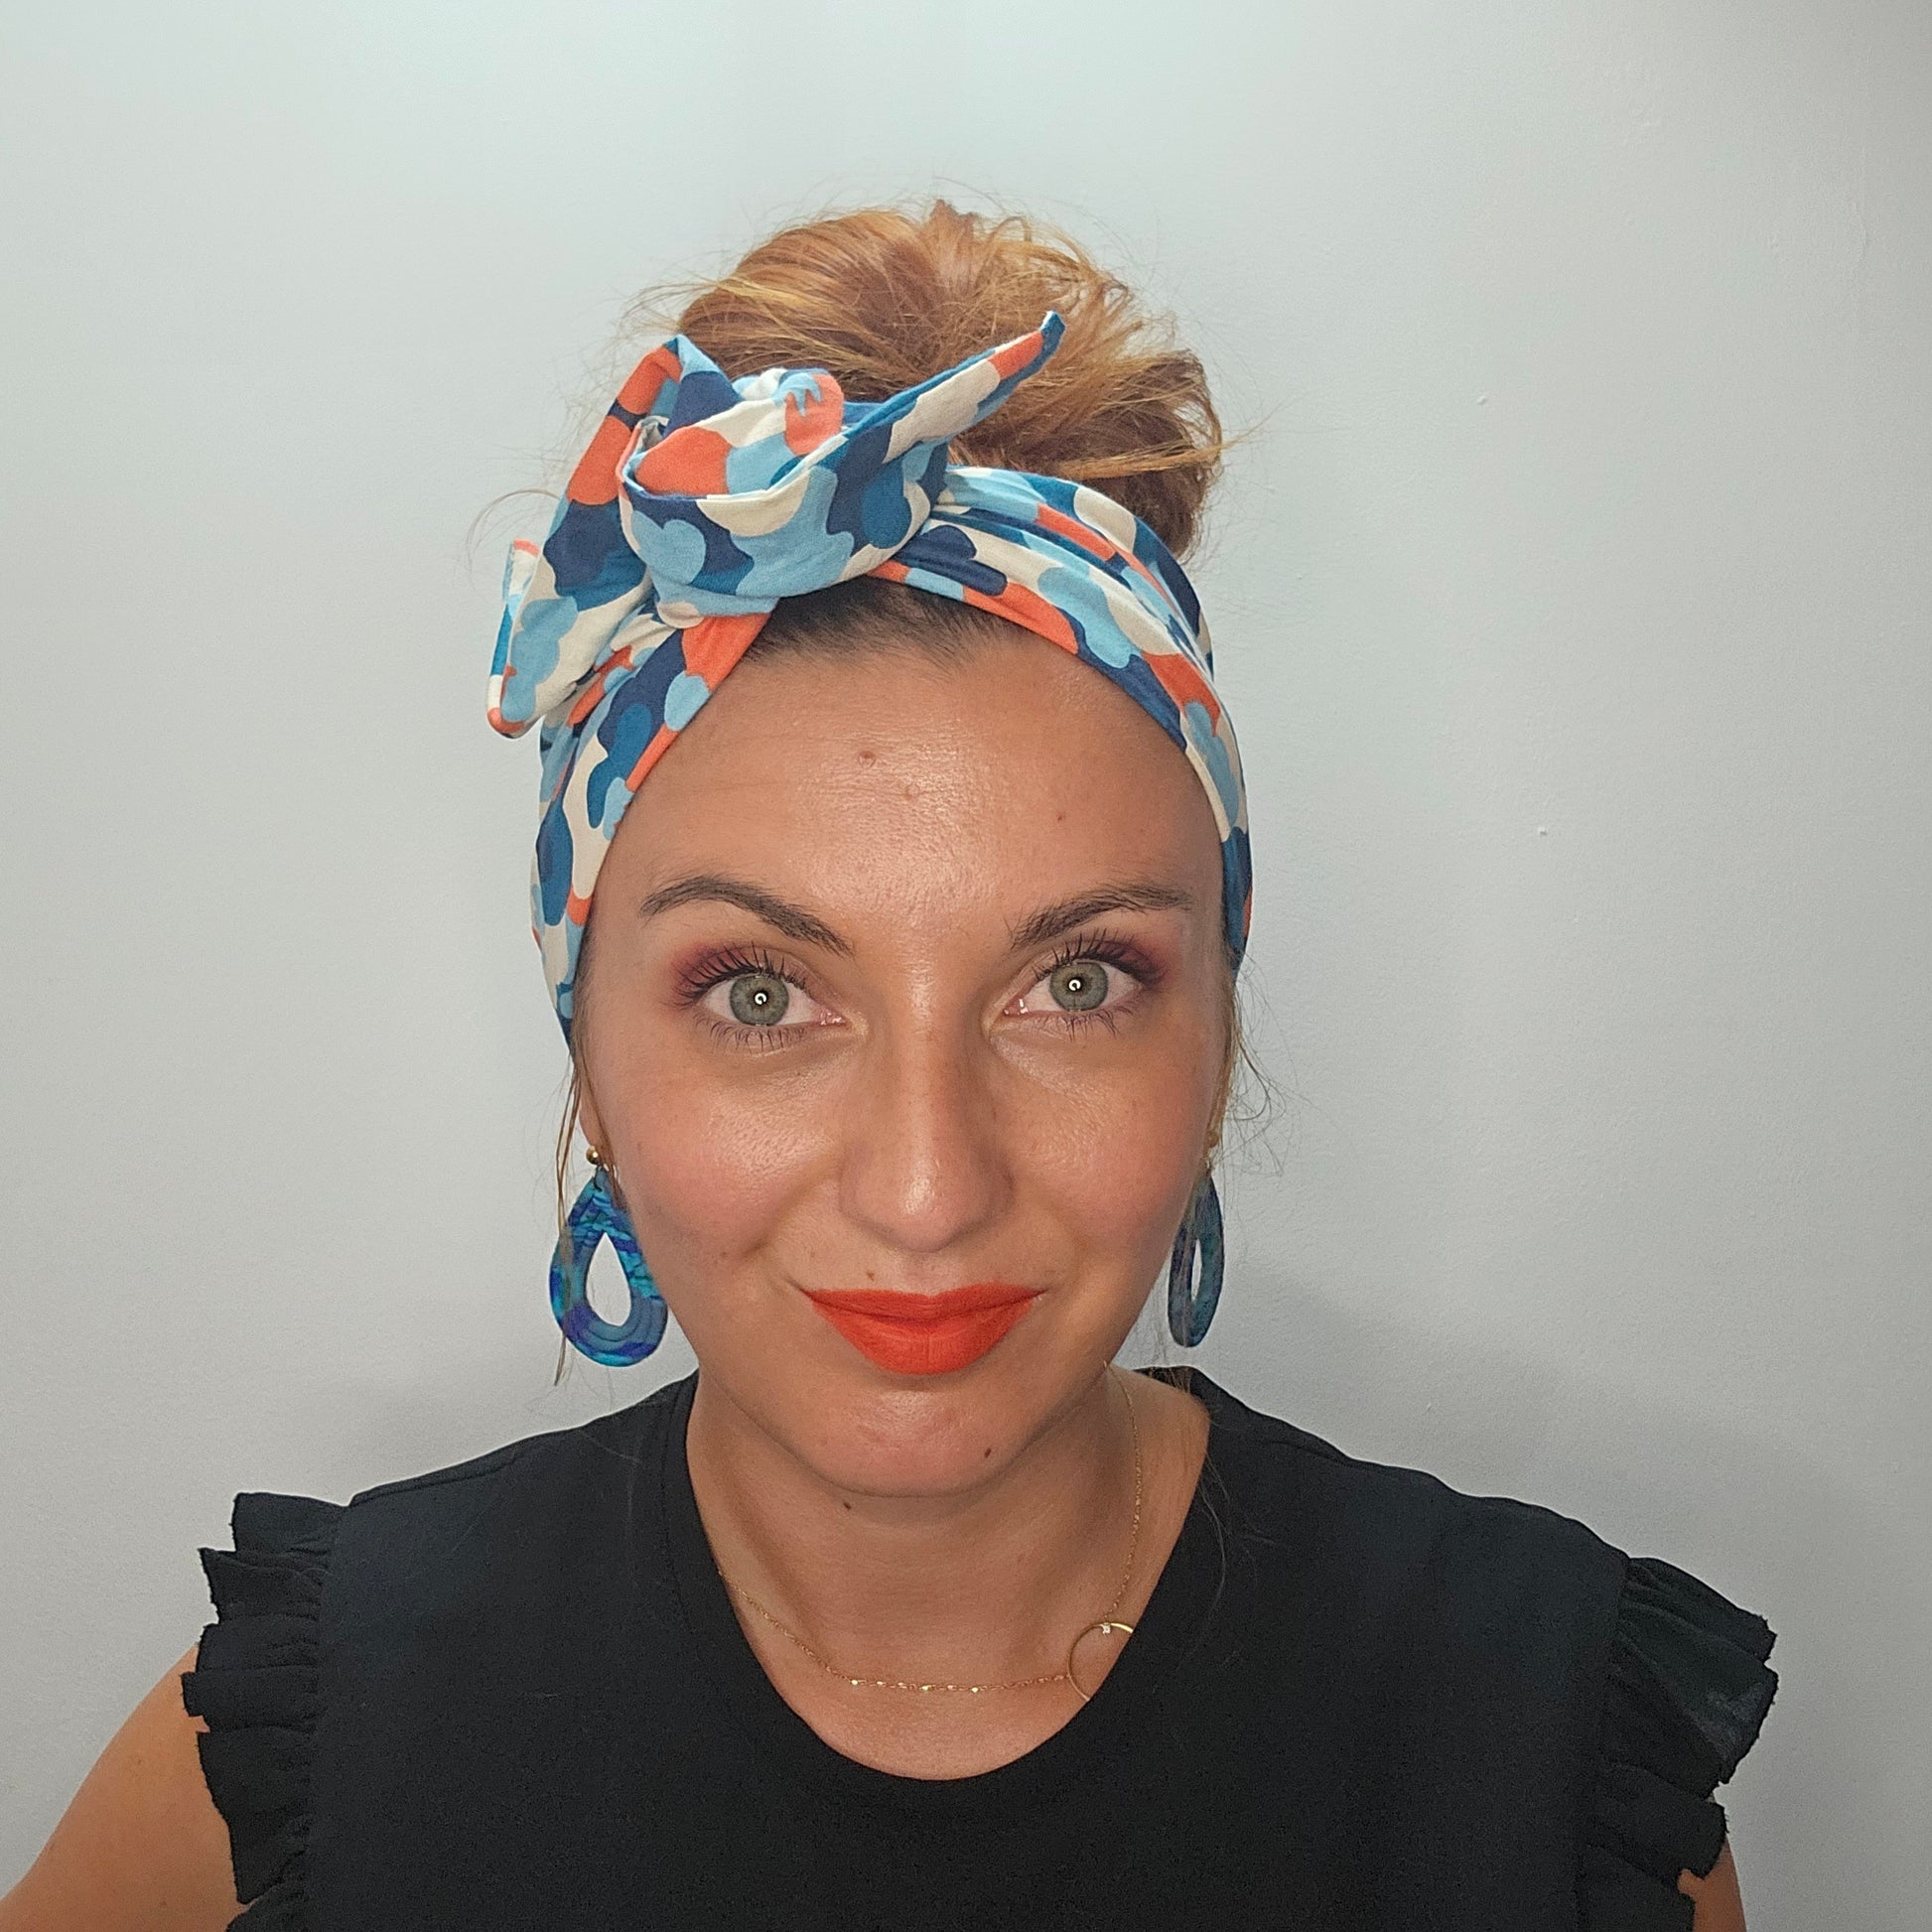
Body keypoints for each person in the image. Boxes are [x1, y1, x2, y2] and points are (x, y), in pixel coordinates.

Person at [1, 201, 1776, 1932]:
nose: (926, 1187)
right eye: (759, 992)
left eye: (1073, 981)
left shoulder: (1549, 1757)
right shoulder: (298, 1762)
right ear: (589, 1059)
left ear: (1214, 1033)